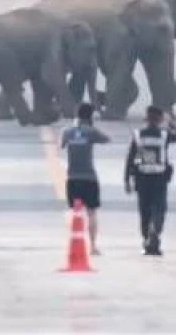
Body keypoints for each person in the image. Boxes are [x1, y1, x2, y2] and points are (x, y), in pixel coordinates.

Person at [124, 105, 176, 256]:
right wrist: (171, 123)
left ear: (147, 118)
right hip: (159, 178)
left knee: (144, 210)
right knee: (159, 208)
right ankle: (154, 230)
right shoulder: (164, 134)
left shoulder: (138, 135)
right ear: (160, 119)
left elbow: (130, 159)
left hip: (141, 178)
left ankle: (147, 239)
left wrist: (127, 180)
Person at [60, 103, 111, 255]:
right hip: (89, 178)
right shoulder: (91, 132)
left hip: (72, 178)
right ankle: (93, 246)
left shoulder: (67, 131)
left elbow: (61, 145)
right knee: (92, 213)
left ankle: (74, 244)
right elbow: (107, 139)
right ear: (90, 116)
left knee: (75, 213)